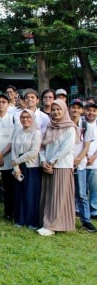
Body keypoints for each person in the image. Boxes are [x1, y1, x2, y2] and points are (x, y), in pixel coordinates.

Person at [37, 100, 77, 236]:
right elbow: (42, 147)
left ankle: (53, 225)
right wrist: (43, 161)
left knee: (58, 196)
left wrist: (52, 162)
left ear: (64, 110)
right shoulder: (49, 127)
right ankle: (46, 222)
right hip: (48, 165)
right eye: (53, 109)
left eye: (58, 109)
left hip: (61, 166)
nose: (55, 112)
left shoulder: (70, 127)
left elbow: (66, 148)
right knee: (49, 195)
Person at [11, 109, 42, 229]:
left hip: (31, 167)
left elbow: (34, 152)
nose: (25, 119)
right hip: (19, 167)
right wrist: (16, 167)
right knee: (20, 193)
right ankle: (20, 219)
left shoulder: (36, 132)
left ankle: (31, 221)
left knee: (31, 194)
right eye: (23, 117)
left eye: (28, 117)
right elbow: (14, 149)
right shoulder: (18, 132)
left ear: (32, 119)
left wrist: (17, 161)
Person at [68, 99, 96, 232]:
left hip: (80, 164)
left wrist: (78, 159)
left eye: (78, 108)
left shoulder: (86, 126)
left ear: (81, 110)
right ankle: (68, 217)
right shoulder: (65, 124)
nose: (75, 110)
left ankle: (86, 220)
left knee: (81, 193)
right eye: (73, 107)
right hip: (65, 163)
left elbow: (86, 146)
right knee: (67, 192)